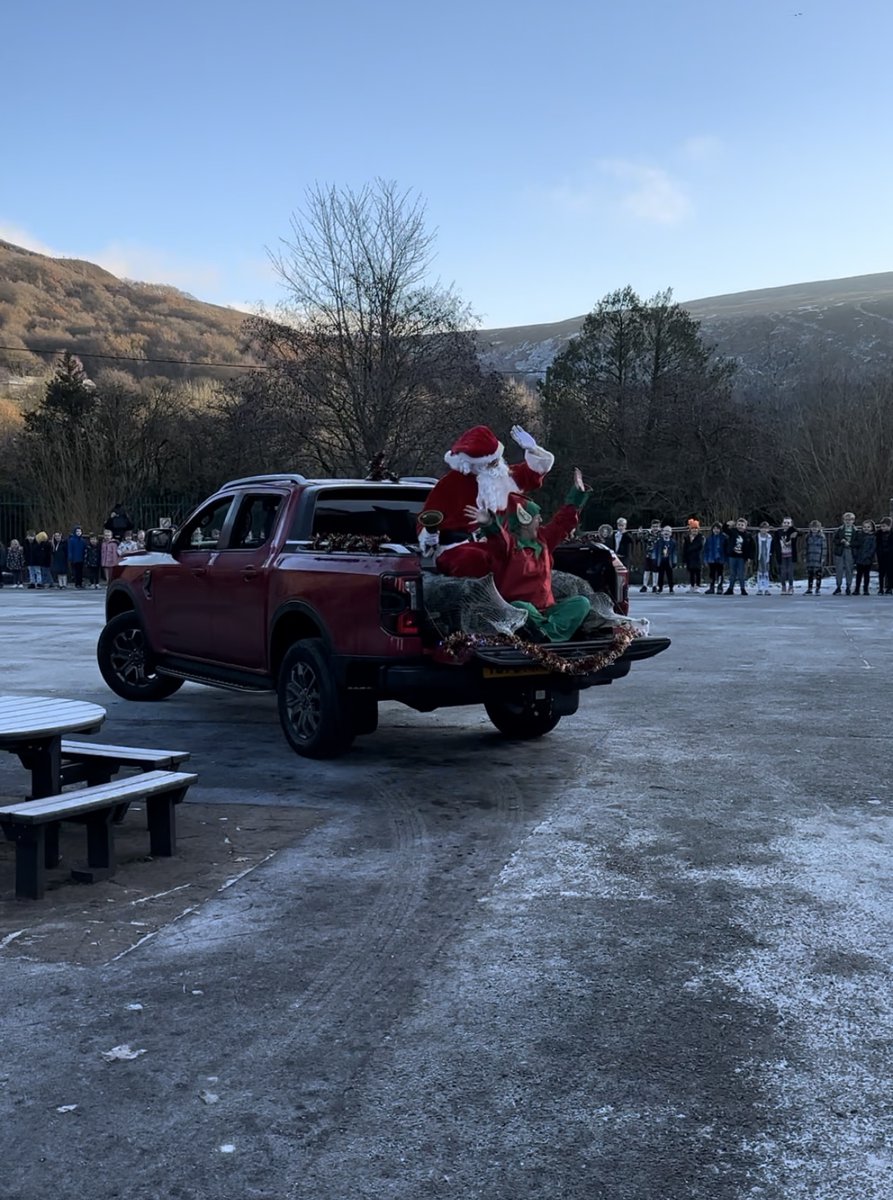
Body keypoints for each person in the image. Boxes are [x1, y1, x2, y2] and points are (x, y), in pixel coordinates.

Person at [464, 468, 591, 642]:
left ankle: (545, 634)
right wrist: (488, 523)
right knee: (521, 608)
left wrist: (577, 494)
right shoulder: (509, 547)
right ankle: (549, 633)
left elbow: (562, 523)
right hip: (519, 611)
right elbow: (498, 538)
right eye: (536, 517)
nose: (540, 520)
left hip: (547, 611)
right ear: (524, 521)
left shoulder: (543, 540)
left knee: (581, 603)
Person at [420, 424, 555, 577]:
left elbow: (530, 474)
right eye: (491, 462)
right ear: (472, 464)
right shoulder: (450, 484)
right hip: (457, 548)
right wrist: (430, 536)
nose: (496, 465)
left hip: (497, 543)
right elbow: (428, 516)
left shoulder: (500, 476)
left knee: (520, 558)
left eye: (497, 460)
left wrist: (533, 449)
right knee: (476, 560)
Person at [725, 518, 754, 595]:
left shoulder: (748, 535)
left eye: (742, 525)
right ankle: (730, 588)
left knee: (741, 573)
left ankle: (743, 589)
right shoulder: (733, 532)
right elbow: (724, 529)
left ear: (745, 526)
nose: (740, 526)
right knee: (732, 573)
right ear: (736, 525)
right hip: (732, 556)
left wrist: (750, 557)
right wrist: (728, 524)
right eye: (739, 525)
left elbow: (751, 547)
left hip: (742, 557)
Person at [771, 517, 798, 595]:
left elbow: (800, 533)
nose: (786, 524)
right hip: (782, 555)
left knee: (790, 572)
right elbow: (775, 542)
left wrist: (794, 531)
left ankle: (791, 587)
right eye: (785, 523)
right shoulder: (778, 532)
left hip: (791, 555)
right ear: (782, 524)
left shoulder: (793, 532)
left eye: (788, 523)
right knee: (782, 572)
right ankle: (783, 586)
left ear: (791, 524)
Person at [832, 512, 857, 595]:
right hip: (840, 551)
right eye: (846, 520)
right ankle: (838, 586)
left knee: (849, 569)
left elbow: (858, 542)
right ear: (843, 520)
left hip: (849, 550)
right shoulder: (840, 529)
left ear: (853, 521)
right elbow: (834, 540)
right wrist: (841, 541)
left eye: (850, 520)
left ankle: (848, 587)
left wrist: (850, 544)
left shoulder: (855, 530)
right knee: (839, 569)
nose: (848, 521)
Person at [638, 519, 662, 593]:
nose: (655, 528)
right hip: (649, 554)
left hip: (657, 555)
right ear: (651, 527)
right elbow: (641, 539)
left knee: (656, 571)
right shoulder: (648, 534)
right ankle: (645, 585)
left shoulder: (661, 534)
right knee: (647, 570)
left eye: (657, 526)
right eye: (654, 526)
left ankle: (654, 585)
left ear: (659, 527)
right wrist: (640, 533)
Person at [852, 519, 876, 596]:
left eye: (868, 527)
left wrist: (869, 556)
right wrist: (856, 554)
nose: (866, 528)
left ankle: (866, 589)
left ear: (872, 528)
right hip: (859, 557)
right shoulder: (859, 535)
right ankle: (857, 589)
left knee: (866, 575)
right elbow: (855, 545)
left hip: (868, 559)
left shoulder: (873, 537)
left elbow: (873, 548)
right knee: (859, 574)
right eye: (864, 527)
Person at [804, 521, 827, 594]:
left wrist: (823, 557)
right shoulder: (808, 536)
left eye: (816, 527)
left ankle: (818, 588)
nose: (814, 529)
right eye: (813, 527)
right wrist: (805, 556)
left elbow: (824, 548)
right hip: (810, 557)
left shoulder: (822, 537)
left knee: (818, 574)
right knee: (810, 573)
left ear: (819, 528)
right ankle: (809, 588)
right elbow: (805, 547)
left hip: (818, 557)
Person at [652, 525, 677, 594]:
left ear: (671, 533)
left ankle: (671, 588)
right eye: (665, 531)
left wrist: (674, 561)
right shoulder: (659, 541)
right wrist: (654, 559)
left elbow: (674, 553)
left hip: (669, 561)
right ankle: (660, 588)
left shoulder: (673, 542)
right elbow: (655, 550)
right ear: (662, 532)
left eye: (668, 531)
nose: (666, 533)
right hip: (661, 560)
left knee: (670, 575)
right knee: (660, 575)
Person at [703, 522, 727, 594]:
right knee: (712, 574)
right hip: (711, 558)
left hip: (720, 559)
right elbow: (706, 549)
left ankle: (720, 587)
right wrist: (706, 559)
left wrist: (725, 559)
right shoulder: (709, 538)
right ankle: (712, 587)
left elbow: (726, 549)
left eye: (718, 529)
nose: (716, 530)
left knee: (720, 574)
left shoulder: (724, 538)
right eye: (714, 529)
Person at [681, 520, 704, 592]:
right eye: (693, 528)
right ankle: (692, 585)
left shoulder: (700, 537)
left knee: (698, 572)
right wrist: (684, 558)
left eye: (696, 528)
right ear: (690, 529)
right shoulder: (687, 538)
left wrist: (690, 549)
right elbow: (685, 548)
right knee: (691, 572)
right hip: (689, 558)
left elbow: (699, 546)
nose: (694, 530)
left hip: (697, 557)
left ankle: (697, 586)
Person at [876, 517, 893, 595]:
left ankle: (889, 587)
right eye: (881, 526)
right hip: (881, 555)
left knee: (890, 572)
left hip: (890, 555)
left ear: (889, 526)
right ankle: (881, 588)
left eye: (884, 526)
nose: (882, 528)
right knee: (881, 573)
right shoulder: (878, 533)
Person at [755, 522, 773, 595]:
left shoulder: (770, 537)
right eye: (762, 528)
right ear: (760, 529)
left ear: (768, 529)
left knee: (766, 573)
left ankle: (766, 589)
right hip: (759, 558)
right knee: (759, 573)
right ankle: (759, 589)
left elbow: (772, 548)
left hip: (767, 558)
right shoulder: (756, 537)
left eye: (766, 528)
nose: (764, 530)